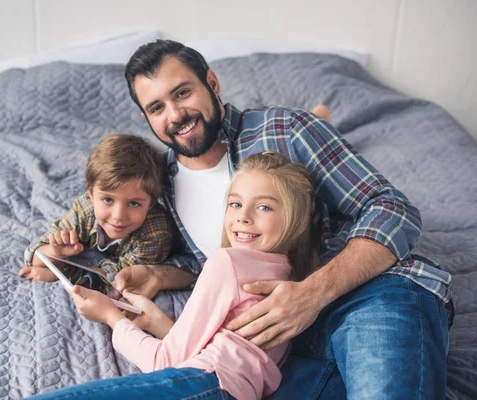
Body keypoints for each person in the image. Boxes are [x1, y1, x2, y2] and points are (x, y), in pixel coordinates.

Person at [109, 40, 451, 398]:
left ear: (212, 82)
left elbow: (392, 208)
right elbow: (220, 269)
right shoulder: (161, 181)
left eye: (182, 93)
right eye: (157, 107)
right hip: (280, 352)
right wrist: (158, 274)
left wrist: (312, 294)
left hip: (367, 296)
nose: (175, 114)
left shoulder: (287, 129)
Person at [27, 151, 323, 400]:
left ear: (296, 223)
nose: (243, 216)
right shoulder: (291, 278)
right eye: (235, 203)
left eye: (264, 206)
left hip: (206, 383)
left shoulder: (228, 263)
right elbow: (220, 348)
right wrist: (156, 320)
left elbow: (166, 363)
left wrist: (111, 318)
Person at [19, 133, 174, 292]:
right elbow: (35, 253)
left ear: (151, 203)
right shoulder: (85, 210)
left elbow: (118, 278)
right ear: (91, 194)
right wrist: (55, 252)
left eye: (134, 203)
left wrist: (59, 273)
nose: (118, 216)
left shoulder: (156, 233)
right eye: (108, 200)